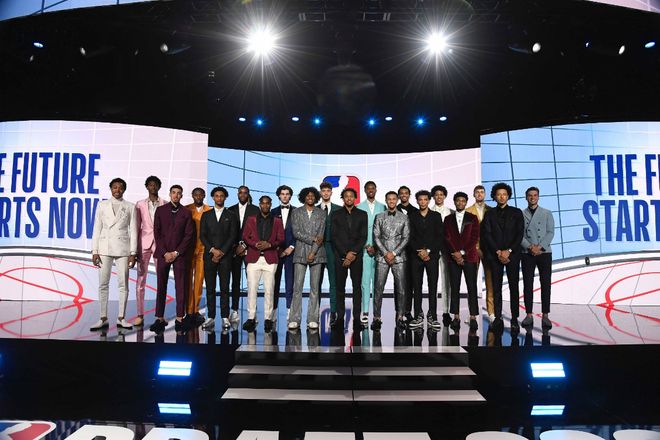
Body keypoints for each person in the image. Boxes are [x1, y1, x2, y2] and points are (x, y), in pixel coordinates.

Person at [90, 178, 138, 330]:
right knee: (103, 284)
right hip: (104, 248)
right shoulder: (102, 205)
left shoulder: (130, 206)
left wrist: (133, 252)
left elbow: (134, 231)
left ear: (124, 189)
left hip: (123, 249)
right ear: (111, 188)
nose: (117, 190)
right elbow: (97, 228)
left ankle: (121, 317)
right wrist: (94, 251)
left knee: (123, 284)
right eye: (115, 187)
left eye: (120, 187)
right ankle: (103, 317)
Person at [480, 182, 524, 333]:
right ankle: (498, 318)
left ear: (508, 196)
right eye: (499, 194)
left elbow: (519, 234)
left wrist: (509, 251)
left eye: (504, 194)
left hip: (512, 255)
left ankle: (514, 319)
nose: (501, 197)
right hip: (495, 256)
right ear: (494, 196)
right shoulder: (489, 214)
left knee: (514, 288)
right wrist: (498, 251)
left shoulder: (517, 212)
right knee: (496, 288)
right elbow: (487, 235)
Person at [150, 185, 194, 333]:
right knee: (161, 286)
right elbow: (157, 233)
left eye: (179, 193)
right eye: (173, 193)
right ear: (169, 194)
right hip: (163, 254)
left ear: (181, 196)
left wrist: (176, 252)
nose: (176, 195)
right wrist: (165, 253)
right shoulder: (161, 210)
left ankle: (180, 318)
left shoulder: (186, 213)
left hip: (179, 255)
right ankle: (159, 318)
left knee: (181, 286)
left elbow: (188, 235)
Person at [242, 195, 285, 333]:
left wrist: (269, 244)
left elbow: (281, 238)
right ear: (259, 204)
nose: (265, 205)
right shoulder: (251, 219)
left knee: (269, 290)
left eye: (267, 203)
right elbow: (245, 236)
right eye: (263, 203)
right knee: (252, 289)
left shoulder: (277, 221)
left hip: (270, 259)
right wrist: (255, 244)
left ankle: (268, 319)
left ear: (270, 205)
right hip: (253, 258)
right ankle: (251, 318)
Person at [199, 186, 238, 330]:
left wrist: (221, 252)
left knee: (224, 288)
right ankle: (210, 317)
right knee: (210, 288)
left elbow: (233, 236)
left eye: (222, 196)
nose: (219, 198)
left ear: (225, 197)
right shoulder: (206, 215)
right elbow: (202, 235)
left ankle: (224, 317)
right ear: (213, 197)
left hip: (225, 257)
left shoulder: (231, 215)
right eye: (216, 196)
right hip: (209, 256)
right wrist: (213, 250)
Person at [289, 187, 326, 330]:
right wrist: (312, 239)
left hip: (317, 253)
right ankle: (294, 319)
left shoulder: (321, 213)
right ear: (303, 197)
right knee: (297, 287)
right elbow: (296, 232)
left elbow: (321, 235)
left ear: (316, 197)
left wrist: (313, 252)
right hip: (300, 252)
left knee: (315, 288)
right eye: (307, 195)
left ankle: (313, 319)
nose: (310, 197)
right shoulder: (296, 212)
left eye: (312, 195)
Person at [407, 190, 444, 330]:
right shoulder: (412, 216)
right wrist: (419, 251)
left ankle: (432, 315)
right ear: (417, 201)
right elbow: (409, 236)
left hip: (432, 256)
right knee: (417, 287)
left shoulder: (436, 216)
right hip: (416, 257)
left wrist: (428, 251)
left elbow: (439, 236)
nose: (423, 202)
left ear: (429, 200)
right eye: (420, 199)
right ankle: (418, 315)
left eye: (425, 199)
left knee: (432, 287)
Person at [372, 191, 410, 329]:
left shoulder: (404, 217)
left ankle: (400, 316)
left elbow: (406, 237)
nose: (392, 201)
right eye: (389, 199)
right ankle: (377, 317)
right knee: (378, 288)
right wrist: (385, 253)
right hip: (382, 257)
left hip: (399, 257)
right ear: (386, 200)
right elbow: (376, 236)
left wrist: (393, 253)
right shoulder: (379, 216)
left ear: (397, 200)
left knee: (401, 289)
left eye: (394, 199)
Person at [331, 187, 367, 329]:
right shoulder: (335, 214)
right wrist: (345, 254)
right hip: (340, 256)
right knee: (340, 288)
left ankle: (357, 318)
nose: (349, 198)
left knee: (357, 288)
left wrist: (352, 253)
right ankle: (340, 317)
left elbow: (363, 236)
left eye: (351, 196)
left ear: (355, 198)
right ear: (343, 198)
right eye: (346, 196)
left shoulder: (362, 214)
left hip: (356, 257)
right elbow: (334, 236)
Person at [444, 192, 481, 332]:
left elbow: (474, 237)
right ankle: (456, 316)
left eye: (463, 201)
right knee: (454, 287)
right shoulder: (448, 219)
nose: (460, 203)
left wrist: (463, 253)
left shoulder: (472, 218)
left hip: (470, 257)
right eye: (458, 200)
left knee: (472, 287)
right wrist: (456, 253)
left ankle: (473, 317)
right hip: (453, 257)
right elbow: (446, 237)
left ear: (466, 202)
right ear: (454, 202)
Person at [520, 187, 555, 330]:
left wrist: (540, 247)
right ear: (526, 197)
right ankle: (529, 314)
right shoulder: (521, 214)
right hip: (527, 252)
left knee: (545, 283)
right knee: (527, 284)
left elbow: (550, 232)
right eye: (530, 195)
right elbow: (519, 234)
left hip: (544, 252)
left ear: (538, 197)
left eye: (535, 195)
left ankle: (545, 315)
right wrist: (530, 247)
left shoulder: (547, 213)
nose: (532, 197)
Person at [134, 175, 166, 326]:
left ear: (159, 187)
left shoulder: (165, 203)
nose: (153, 187)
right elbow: (136, 227)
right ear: (147, 187)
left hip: (160, 245)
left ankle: (160, 315)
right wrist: (134, 249)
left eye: (155, 185)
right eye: (150, 185)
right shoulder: (139, 204)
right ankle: (140, 314)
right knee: (141, 279)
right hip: (143, 243)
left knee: (161, 279)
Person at [228, 186, 260, 324]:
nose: (242, 195)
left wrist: (245, 245)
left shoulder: (256, 210)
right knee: (235, 281)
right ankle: (234, 310)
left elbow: (257, 231)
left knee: (252, 282)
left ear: (248, 194)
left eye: (245, 193)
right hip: (234, 251)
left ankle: (252, 313)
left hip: (250, 249)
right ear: (237, 194)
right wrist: (235, 246)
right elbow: (228, 231)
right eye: (240, 193)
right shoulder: (230, 209)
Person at [357, 181, 386, 326]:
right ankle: (365, 311)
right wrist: (367, 246)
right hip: (364, 250)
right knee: (364, 282)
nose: (370, 190)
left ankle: (376, 313)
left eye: (373, 188)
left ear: (376, 189)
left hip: (379, 250)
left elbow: (385, 230)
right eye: (368, 188)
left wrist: (377, 247)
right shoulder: (358, 207)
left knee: (378, 283)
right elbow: (357, 230)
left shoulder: (383, 207)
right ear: (364, 190)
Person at [465, 185, 494, 322]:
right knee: (471, 282)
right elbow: (466, 233)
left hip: (489, 250)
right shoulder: (467, 211)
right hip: (472, 250)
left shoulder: (492, 211)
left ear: (485, 194)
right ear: (474, 194)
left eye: (482, 192)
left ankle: (491, 312)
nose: (480, 194)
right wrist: (476, 248)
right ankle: (472, 314)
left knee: (490, 282)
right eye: (477, 192)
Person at [185, 187, 211, 327]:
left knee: (199, 281)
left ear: (204, 195)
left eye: (201, 195)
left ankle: (195, 310)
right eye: (196, 194)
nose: (198, 197)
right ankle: (188, 310)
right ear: (192, 195)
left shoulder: (209, 210)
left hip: (203, 250)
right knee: (188, 281)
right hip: (189, 250)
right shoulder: (186, 209)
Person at [317, 181, 342, 326]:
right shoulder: (314, 209)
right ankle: (315, 312)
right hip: (318, 248)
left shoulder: (338, 209)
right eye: (323, 191)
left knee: (334, 281)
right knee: (316, 281)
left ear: (331, 192)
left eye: (328, 191)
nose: (326, 193)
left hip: (333, 248)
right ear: (320, 193)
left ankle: (333, 312)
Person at [430, 184, 454, 326]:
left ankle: (445, 311)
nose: (439, 197)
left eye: (441, 194)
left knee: (446, 282)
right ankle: (432, 312)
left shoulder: (451, 212)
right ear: (433, 197)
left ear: (444, 196)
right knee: (432, 282)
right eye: (436, 194)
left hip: (446, 251)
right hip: (432, 251)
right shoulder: (428, 211)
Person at [272, 185, 296, 321]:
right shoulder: (272, 212)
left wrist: (292, 246)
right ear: (279, 196)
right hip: (276, 252)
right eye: (282, 194)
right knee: (274, 283)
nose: (285, 196)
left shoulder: (297, 211)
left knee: (290, 282)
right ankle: (273, 310)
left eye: (287, 194)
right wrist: (277, 248)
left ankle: (289, 310)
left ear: (290, 196)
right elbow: (269, 232)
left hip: (292, 252)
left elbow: (299, 231)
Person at [396, 185, 418, 322]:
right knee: (398, 282)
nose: (404, 195)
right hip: (397, 250)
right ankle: (398, 310)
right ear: (399, 196)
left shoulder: (415, 211)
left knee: (410, 282)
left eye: (406, 193)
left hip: (411, 251)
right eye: (401, 193)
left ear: (409, 195)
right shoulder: (393, 210)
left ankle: (408, 310)